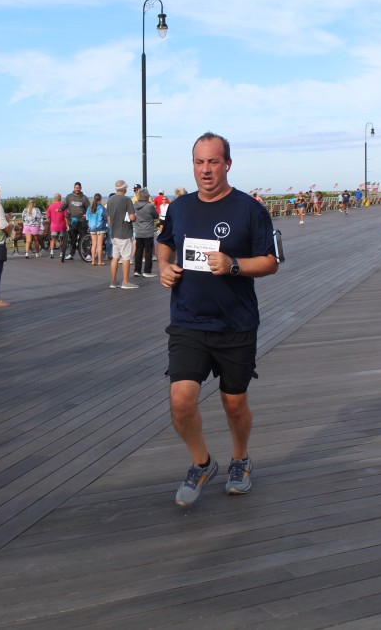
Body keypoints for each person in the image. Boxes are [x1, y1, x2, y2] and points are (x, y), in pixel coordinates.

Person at [157, 131, 278, 508]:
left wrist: (234, 265)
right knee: (180, 400)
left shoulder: (250, 209)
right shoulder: (179, 207)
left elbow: (271, 262)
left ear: (227, 164)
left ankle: (240, 460)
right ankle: (202, 463)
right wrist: (163, 267)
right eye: (199, 162)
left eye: (213, 161)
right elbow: (165, 241)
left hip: (235, 323)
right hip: (188, 320)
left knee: (234, 403)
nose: (205, 169)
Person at [106, 180, 137, 289]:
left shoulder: (110, 200)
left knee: (115, 257)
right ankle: (126, 282)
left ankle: (113, 282)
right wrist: (134, 217)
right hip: (124, 233)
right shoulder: (127, 200)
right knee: (126, 258)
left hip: (114, 233)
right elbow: (132, 217)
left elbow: (109, 218)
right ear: (124, 189)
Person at [132, 188, 159, 278]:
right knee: (148, 252)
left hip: (138, 232)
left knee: (138, 252)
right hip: (148, 232)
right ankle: (147, 271)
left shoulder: (135, 205)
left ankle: (137, 270)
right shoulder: (149, 206)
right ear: (147, 196)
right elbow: (156, 216)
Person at [62, 181, 90, 260]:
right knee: (72, 239)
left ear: (81, 188)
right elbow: (64, 205)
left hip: (82, 222)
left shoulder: (84, 198)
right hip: (72, 221)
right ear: (74, 188)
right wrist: (60, 209)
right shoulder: (69, 197)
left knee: (83, 238)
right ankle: (71, 254)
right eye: (75, 188)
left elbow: (89, 208)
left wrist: (87, 215)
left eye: (78, 188)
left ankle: (86, 254)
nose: (77, 189)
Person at [86, 193, 108, 266]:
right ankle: (99, 261)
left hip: (92, 228)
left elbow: (87, 218)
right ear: (100, 199)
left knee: (94, 244)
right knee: (99, 245)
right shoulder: (102, 208)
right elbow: (105, 218)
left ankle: (93, 261)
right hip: (100, 227)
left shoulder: (90, 208)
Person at [46, 193, 66, 259]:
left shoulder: (50, 206)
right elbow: (66, 216)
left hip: (53, 226)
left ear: (54, 198)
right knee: (62, 240)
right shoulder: (63, 206)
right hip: (62, 225)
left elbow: (48, 216)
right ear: (60, 198)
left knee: (53, 239)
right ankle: (61, 253)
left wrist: (50, 223)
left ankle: (51, 253)